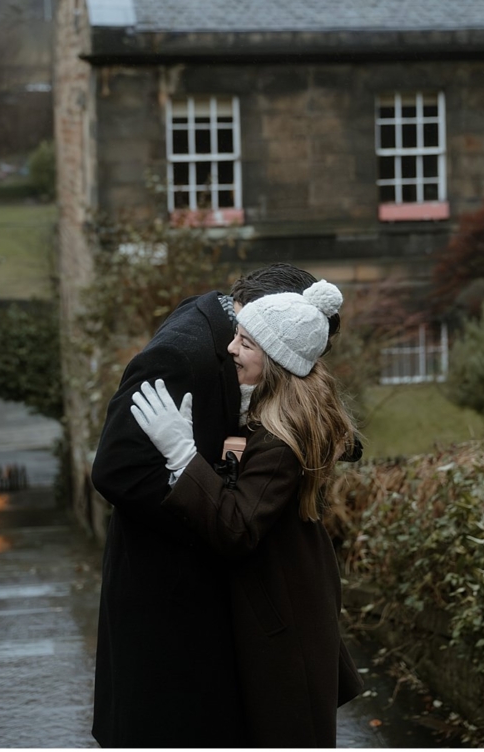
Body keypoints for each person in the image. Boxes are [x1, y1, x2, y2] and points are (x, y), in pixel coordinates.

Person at [90, 263, 343, 748]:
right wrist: (209, 515)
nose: (235, 349)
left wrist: (203, 484)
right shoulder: (181, 355)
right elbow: (115, 470)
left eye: (247, 344)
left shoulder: (271, 403)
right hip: (172, 600)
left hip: (250, 601)